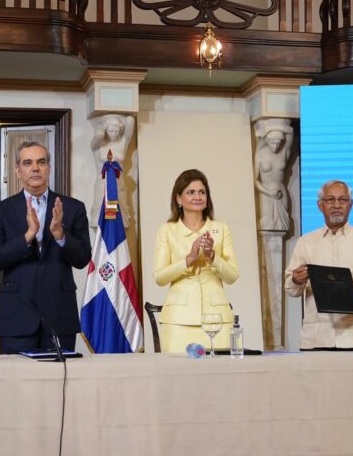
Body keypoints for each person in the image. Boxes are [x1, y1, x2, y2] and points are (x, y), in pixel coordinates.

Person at [0, 141, 92, 353]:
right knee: (18, 385)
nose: (35, 168)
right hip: (17, 319)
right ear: (17, 170)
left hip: (60, 317)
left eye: (41, 162)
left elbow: (82, 260)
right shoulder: (0, 211)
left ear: (48, 168)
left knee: (61, 384)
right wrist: (27, 236)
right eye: (28, 162)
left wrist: (61, 235)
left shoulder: (72, 207)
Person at [284, 180, 353, 350]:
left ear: (351, 204)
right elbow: (291, 289)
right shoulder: (306, 242)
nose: (337, 205)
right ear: (320, 205)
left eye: (343, 200)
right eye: (330, 200)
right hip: (316, 338)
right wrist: (296, 280)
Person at [153, 169, 239, 353]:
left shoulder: (221, 228)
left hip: (218, 320)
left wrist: (213, 258)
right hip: (178, 321)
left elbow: (232, 276)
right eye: (190, 192)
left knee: (222, 378)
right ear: (178, 198)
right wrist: (189, 259)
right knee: (178, 378)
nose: (197, 196)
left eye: (202, 192)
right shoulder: (167, 230)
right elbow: (159, 277)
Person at [89, 114, 135, 228]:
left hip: (119, 184)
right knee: (100, 220)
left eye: (116, 131)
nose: (114, 134)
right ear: (106, 130)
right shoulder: (99, 143)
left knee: (120, 218)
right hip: (102, 184)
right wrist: (100, 133)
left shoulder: (123, 142)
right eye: (111, 131)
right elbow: (94, 142)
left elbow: (130, 121)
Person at [253, 118, 293, 232]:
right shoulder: (260, 153)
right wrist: (268, 192)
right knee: (266, 226)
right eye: (272, 142)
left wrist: (269, 128)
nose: (275, 146)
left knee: (281, 228)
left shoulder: (285, 151)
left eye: (278, 143)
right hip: (266, 193)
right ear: (267, 140)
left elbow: (290, 131)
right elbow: (255, 180)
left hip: (281, 193)